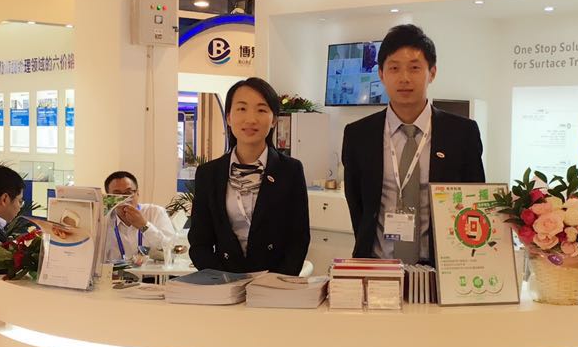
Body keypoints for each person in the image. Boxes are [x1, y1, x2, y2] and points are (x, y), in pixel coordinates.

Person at [342, 24, 485, 261]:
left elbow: (474, 202)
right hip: (377, 264)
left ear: (432, 73)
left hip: (442, 267)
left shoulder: (462, 133)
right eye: (394, 68)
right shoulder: (359, 134)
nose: (404, 78)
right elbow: (357, 205)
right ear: (381, 74)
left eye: (415, 68)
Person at [189, 77, 310, 275]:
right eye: (242, 108)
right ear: (229, 117)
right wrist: (223, 279)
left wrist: (276, 283)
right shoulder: (208, 174)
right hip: (223, 281)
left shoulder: (290, 170)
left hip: (273, 283)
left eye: (261, 110)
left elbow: (298, 239)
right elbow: (199, 243)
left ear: (274, 119)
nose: (251, 119)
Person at [104, 170, 176, 265]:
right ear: (108, 198)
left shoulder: (155, 212)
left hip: (152, 273)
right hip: (115, 273)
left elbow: (171, 249)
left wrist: (144, 226)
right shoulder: (103, 221)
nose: (124, 199)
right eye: (117, 194)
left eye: (128, 193)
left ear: (137, 193)